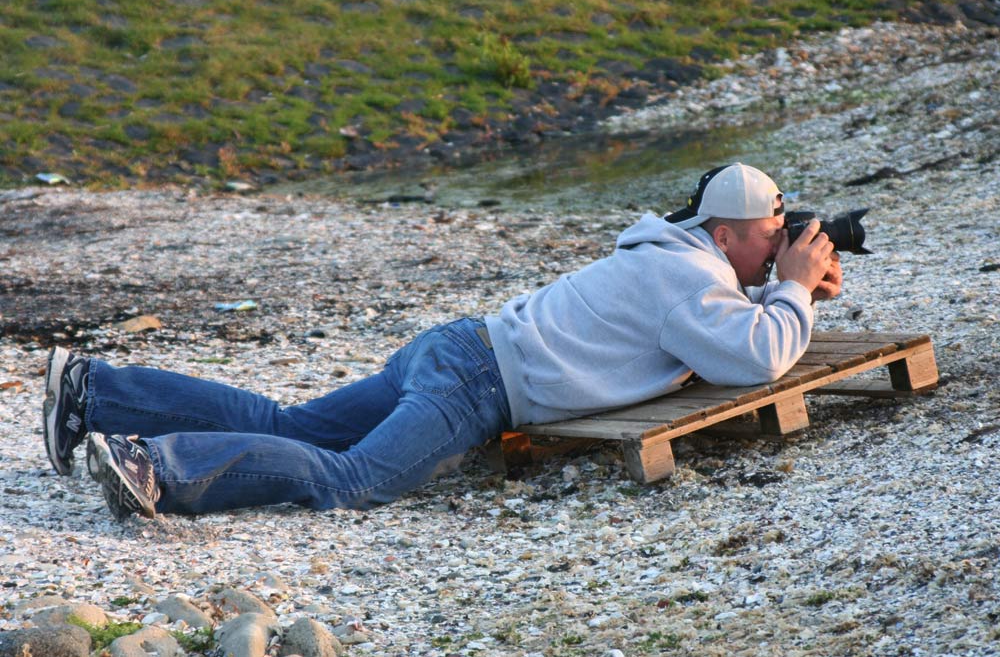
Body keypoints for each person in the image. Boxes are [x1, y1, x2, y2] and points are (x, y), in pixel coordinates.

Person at [42, 163, 841, 521]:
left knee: (289, 425)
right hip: (476, 386)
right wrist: (796, 288)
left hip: (460, 347)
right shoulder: (689, 281)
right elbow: (759, 356)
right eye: (773, 233)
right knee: (351, 480)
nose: (780, 243)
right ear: (727, 231)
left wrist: (783, 286)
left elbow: (732, 331)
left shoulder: (677, 259)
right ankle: (158, 466)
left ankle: (93, 389)